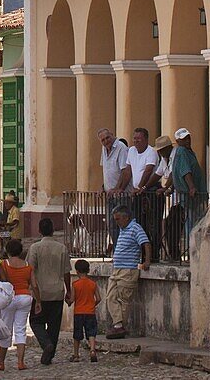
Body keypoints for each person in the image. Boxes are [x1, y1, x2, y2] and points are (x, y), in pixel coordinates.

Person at [27, 217, 71, 366]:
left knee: (35, 321)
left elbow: (30, 270)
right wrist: (68, 290)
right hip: (57, 292)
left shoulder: (35, 248)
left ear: (39, 231)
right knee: (54, 325)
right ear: (53, 230)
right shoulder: (62, 248)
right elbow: (66, 272)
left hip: (40, 292)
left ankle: (46, 344)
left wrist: (30, 288)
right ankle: (49, 354)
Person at [105, 205, 151, 339]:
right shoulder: (123, 229)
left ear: (126, 217)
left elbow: (146, 244)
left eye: (118, 219)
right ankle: (118, 324)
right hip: (117, 268)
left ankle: (119, 326)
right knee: (110, 296)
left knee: (124, 299)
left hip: (128, 269)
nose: (117, 222)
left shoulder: (135, 228)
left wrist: (146, 261)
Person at [0, 238, 37, 372]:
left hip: (9, 298)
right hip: (25, 297)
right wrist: (39, 301)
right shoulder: (28, 266)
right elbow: (34, 285)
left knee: (6, 330)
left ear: (7, 251)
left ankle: (1, 362)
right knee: (20, 330)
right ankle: (20, 362)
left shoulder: (4, 264)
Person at [98, 127, 129, 249]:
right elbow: (106, 171)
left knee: (122, 223)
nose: (106, 141)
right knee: (111, 225)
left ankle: (123, 250)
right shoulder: (104, 149)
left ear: (112, 135)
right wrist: (103, 186)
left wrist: (117, 188)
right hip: (109, 194)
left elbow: (124, 170)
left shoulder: (121, 147)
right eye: (103, 140)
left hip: (121, 194)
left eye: (107, 138)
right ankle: (117, 250)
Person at [69, 258, 100, 363]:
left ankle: (76, 355)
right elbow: (99, 298)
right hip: (90, 312)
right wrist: (92, 304)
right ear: (88, 270)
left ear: (77, 271)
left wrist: (68, 301)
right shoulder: (93, 284)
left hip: (78, 312)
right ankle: (92, 350)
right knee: (91, 332)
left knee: (77, 334)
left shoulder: (75, 284)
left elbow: (72, 299)